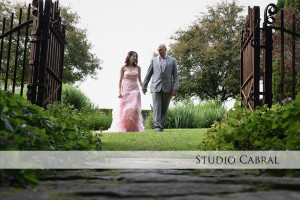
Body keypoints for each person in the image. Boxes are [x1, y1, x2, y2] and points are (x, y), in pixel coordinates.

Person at [142, 44, 179, 132]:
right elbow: (148, 74)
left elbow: (176, 76)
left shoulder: (173, 60)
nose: (159, 51)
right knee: (156, 107)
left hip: (168, 87)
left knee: (164, 108)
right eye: (158, 50)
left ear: (165, 49)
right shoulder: (153, 60)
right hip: (155, 87)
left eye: (160, 50)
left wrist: (175, 88)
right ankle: (157, 127)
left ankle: (161, 126)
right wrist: (144, 86)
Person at [105, 51, 144, 132]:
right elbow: (119, 81)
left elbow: (139, 80)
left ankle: (134, 127)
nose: (135, 58)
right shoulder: (123, 68)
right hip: (126, 89)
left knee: (134, 108)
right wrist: (119, 92)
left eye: (136, 56)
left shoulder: (138, 68)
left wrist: (143, 87)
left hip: (135, 89)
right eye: (133, 56)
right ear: (129, 57)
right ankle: (125, 128)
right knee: (124, 110)